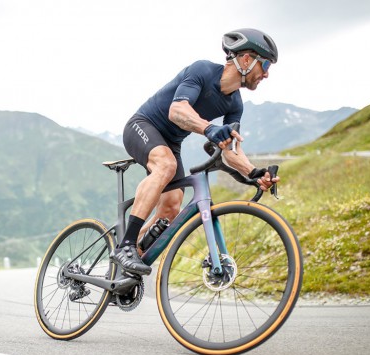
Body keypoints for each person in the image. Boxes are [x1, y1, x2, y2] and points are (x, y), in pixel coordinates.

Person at [112, 28, 281, 275]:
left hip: (171, 143)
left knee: (171, 209)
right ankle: (125, 245)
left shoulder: (235, 104)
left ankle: (130, 262)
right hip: (142, 126)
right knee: (166, 166)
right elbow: (177, 110)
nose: (266, 74)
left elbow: (231, 149)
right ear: (246, 60)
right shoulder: (202, 70)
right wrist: (209, 128)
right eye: (265, 65)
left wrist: (254, 172)